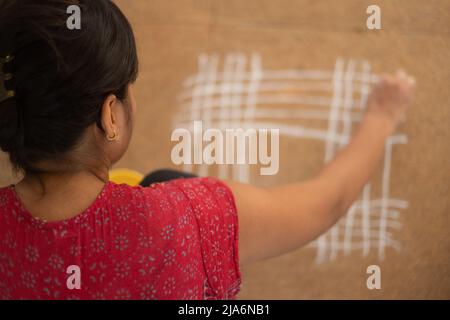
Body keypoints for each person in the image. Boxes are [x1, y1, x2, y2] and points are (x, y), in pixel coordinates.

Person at [0, 0, 415, 300]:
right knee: (162, 182)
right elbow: (325, 205)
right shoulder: (189, 217)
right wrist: (382, 115)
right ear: (110, 115)